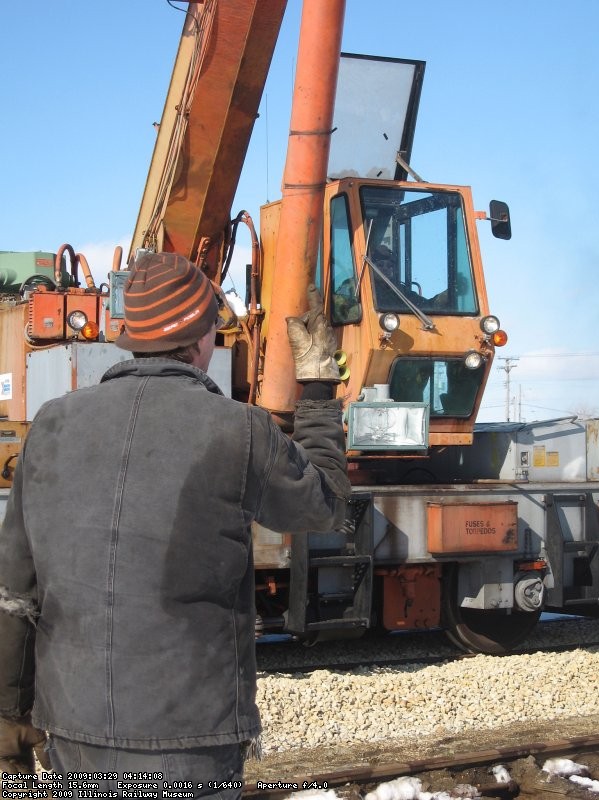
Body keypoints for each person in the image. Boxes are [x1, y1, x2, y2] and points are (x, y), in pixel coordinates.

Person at [0, 252, 351, 798]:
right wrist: (320, 386)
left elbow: (16, 592)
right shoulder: (240, 431)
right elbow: (325, 504)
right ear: (199, 334)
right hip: (190, 744)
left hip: (74, 731)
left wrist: (8, 726)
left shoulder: (51, 425)